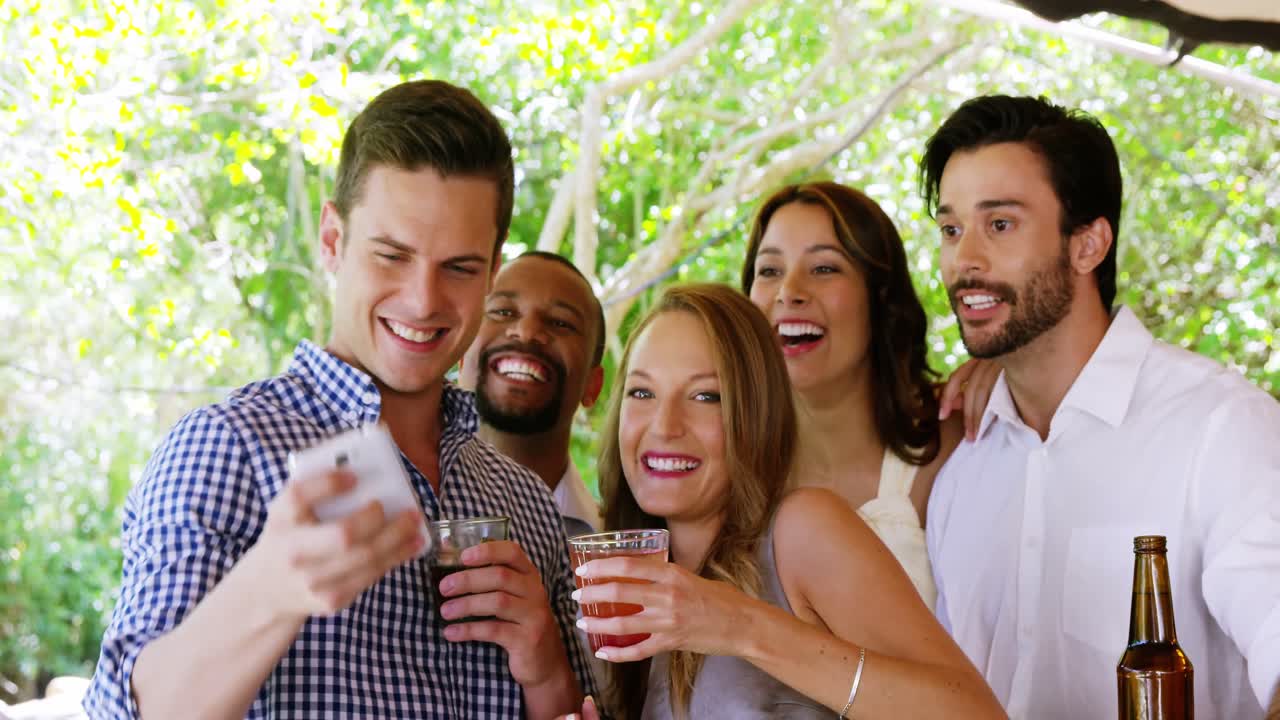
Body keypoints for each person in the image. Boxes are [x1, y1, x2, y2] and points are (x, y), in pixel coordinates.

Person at [83, 80, 596, 720]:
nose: (423, 300)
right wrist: (272, 586)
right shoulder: (231, 448)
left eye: (459, 268)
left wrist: (546, 669)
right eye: (392, 255)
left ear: (493, 269)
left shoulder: (522, 502)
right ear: (333, 239)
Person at [919, 94, 1280, 719]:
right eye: (951, 229)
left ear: (1088, 245)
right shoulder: (963, 466)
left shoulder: (1221, 428)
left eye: (999, 224)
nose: (965, 260)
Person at [566, 283, 1004, 719]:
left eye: (705, 396)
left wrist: (738, 625)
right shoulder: (628, 574)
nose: (664, 425)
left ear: (754, 413)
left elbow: (975, 713)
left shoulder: (802, 530)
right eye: (642, 393)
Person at [740, 181, 997, 610]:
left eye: (824, 268)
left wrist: (1007, 368)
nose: (789, 291)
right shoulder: (725, 460)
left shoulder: (956, 440)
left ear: (880, 297)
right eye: (769, 271)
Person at [459, 251, 607, 537]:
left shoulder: (613, 547)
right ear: (461, 353)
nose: (526, 332)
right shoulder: (397, 506)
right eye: (503, 312)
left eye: (561, 322)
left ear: (593, 385)